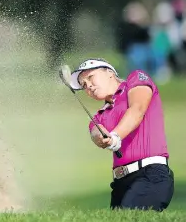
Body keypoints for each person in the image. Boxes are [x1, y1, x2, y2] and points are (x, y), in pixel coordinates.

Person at [69, 58, 174, 211]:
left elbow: (137, 109)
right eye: (84, 85)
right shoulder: (98, 116)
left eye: (90, 77)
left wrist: (116, 136)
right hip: (120, 183)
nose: (88, 86)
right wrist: (101, 137)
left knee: (132, 221)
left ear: (110, 73)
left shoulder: (136, 79)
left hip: (150, 174)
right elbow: (96, 132)